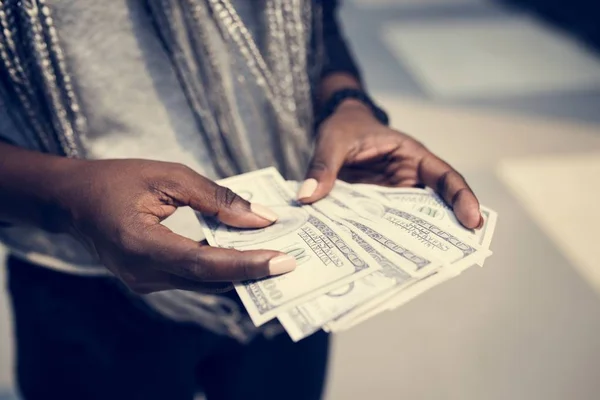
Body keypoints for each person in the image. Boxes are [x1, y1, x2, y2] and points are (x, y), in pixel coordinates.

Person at [0, 1, 483, 399]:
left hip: (290, 266)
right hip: (80, 286)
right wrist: (64, 199)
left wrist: (347, 103)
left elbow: (316, 23)